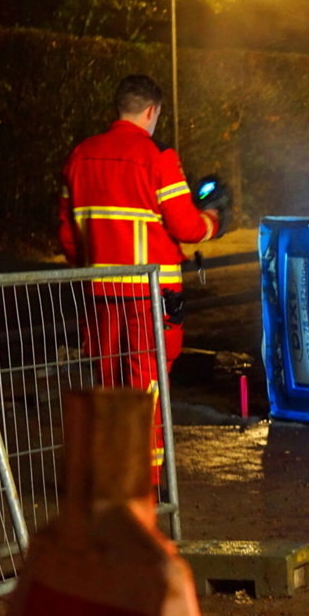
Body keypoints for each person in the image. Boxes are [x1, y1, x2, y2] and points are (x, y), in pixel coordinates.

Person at [58, 74, 226, 486]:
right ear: (152, 111)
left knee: (108, 385)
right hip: (149, 300)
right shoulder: (157, 158)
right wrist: (214, 221)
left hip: (98, 295)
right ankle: (142, 489)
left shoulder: (80, 155)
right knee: (145, 390)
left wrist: (91, 268)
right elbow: (185, 225)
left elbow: (66, 233)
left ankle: (107, 474)